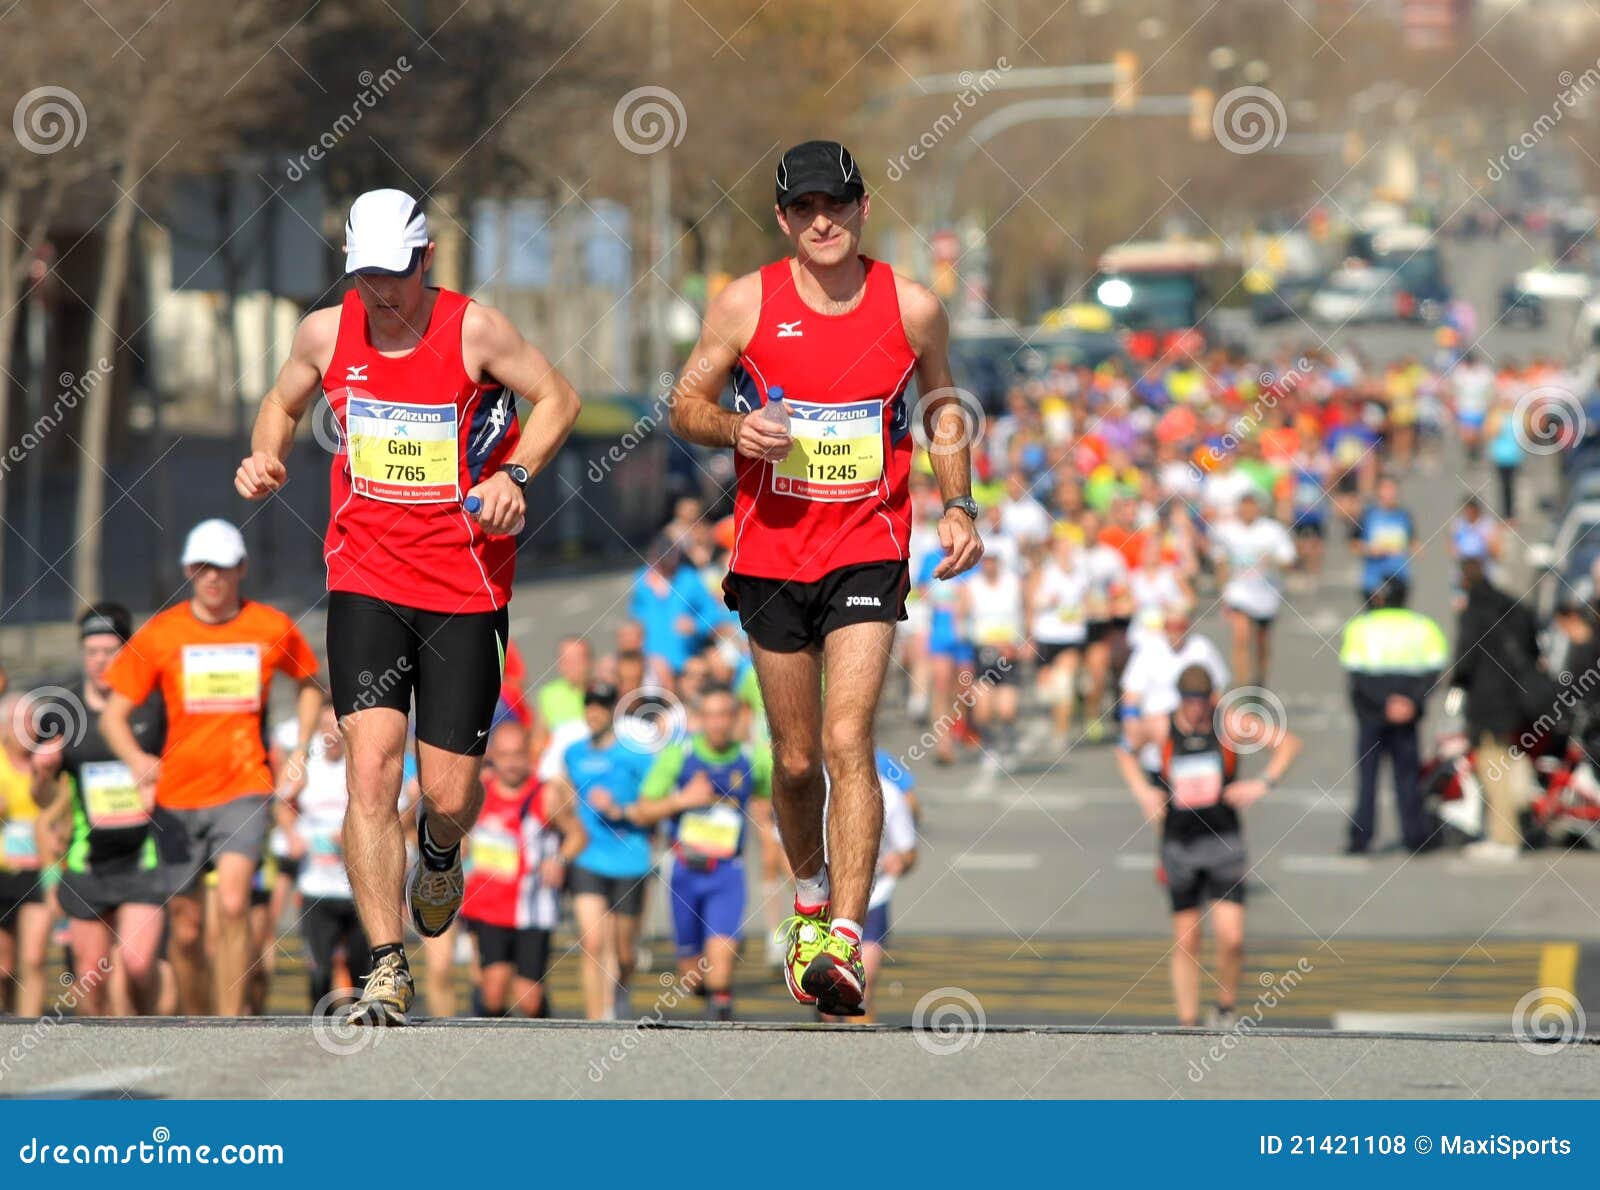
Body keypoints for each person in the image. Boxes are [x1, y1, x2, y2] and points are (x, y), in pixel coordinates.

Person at [234, 188, 582, 1026]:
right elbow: (281, 403)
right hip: (365, 579)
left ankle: (440, 850)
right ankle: (386, 966)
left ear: (426, 261)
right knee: (370, 767)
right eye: (365, 276)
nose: (381, 293)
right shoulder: (326, 332)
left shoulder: (475, 330)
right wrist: (264, 456)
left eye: (396, 274)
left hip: (464, 586)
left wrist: (514, 477)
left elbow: (560, 398)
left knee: (450, 792)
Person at [668, 140, 982, 1015]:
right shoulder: (745, 303)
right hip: (770, 554)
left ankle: (843, 936)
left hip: (866, 548)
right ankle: (808, 904)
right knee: (799, 758)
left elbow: (943, 405)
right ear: (782, 218)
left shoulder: (910, 306)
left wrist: (961, 505)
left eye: (836, 205)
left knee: (849, 740)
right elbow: (684, 403)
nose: (821, 222)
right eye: (804, 208)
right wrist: (737, 429)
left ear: (861, 209)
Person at [100, 520, 323, 1017]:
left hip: (244, 786)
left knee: (233, 905)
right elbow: (113, 713)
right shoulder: (163, 632)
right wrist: (138, 761)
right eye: (202, 568)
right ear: (188, 571)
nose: (212, 579)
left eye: (222, 568)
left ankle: (229, 1023)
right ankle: (198, 1022)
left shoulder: (269, 626)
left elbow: (310, 682)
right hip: (177, 796)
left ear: (241, 569)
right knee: (185, 925)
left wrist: (301, 752)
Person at [1116, 664, 1301, 1028]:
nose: (1196, 711)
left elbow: (1288, 744)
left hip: (1224, 841)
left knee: (1231, 938)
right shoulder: (1160, 725)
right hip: (1179, 843)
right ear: (1179, 699)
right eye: (1189, 702)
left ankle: (1226, 1007)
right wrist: (1144, 792)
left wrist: (1262, 783)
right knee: (1188, 940)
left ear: (1211, 698)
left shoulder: (1230, 723)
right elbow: (1124, 749)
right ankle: (1187, 1021)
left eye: (1201, 702)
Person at [30, 605, 168, 1016]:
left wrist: (155, 783)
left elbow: (176, 771)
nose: (100, 661)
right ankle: (106, 1068)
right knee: (90, 978)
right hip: (87, 861)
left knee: (138, 965)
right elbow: (42, 801)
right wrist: (43, 771)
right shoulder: (62, 712)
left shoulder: (151, 705)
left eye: (110, 651)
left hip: (144, 857)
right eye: (91, 651)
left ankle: (166, 1027)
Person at [630, 686, 772, 1021]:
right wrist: (683, 801)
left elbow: (766, 805)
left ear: (736, 718)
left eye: (725, 715)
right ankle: (711, 974)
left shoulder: (753, 759)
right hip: (685, 874)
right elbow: (641, 810)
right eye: (710, 716)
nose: (718, 724)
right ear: (700, 719)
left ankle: (722, 1020)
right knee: (691, 976)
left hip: (727, 874)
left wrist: (773, 849)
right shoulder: (680, 754)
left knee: (719, 972)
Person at [462, 721, 585, 1018]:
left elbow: (578, 835)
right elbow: (460, 835)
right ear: (492, 755)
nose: (512, 763)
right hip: (487, 905)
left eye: (518, 754)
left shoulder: (545, 794)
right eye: (504, 755)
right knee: (493, 990)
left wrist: (559, 860)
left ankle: (543, 1042)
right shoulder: (479, 792)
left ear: (528, 754)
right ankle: (484, 1049)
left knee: (528, 1000)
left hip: (533, 907)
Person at [552, 681, 656, 1020]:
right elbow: (564, 795)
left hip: (630, 858)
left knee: (624, 953)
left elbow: (655, 803)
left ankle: (619, 992)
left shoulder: (635, 753)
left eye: (602, 705)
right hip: (589, 858)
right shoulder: (573, 753)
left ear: (615, 710)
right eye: (589, 705)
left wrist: (621, 811)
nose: (594, 712)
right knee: (594, 944)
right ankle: (598, 1021)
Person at [1338, 579, 1449, 855]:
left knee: (1368, 779)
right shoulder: (1423, 626)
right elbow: (1434, 669)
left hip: (1372, 714)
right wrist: (1410, 701)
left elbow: (1356, 674)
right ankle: (1416, 836)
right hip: (1407, 714)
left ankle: (1361, 838)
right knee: (1408, 777)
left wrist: (1384, 703)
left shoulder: (1361, 626)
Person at [1448, 558, 1542, 862]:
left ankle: (1505, 836)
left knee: (1492, 766)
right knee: (1513, 759)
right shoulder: (1514, 607)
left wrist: (1455, 685)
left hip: (1487, 702)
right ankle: (1517, 821)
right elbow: (1533, 648)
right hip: (1519, 698)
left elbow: (1465, 660)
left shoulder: (1473, 613)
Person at [280, 705, 370, 1012]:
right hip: (316, 887)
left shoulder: (363, 765)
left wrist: (352, 835)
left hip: (357, 889)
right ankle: (314, 1037)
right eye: (325, 728)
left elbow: (393, 814)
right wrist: (291, 834)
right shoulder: (306, 767)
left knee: (361, 976)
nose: (331, 736)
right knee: (319, 974)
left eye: (337, 728)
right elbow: (283, 804)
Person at [819, 752, 917, 1024]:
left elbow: (910, 853)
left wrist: (901, 861)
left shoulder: (890, 795)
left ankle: (860, 1054)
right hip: (828, 899)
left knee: (862, 985)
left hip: (873, 898)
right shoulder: (819, 791)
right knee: (830, 992)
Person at [1211, 492, 1296, 689]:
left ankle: (1260, 684)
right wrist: (1222, 591)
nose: (1248, 511)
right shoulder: (1227, 530)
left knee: (1261, 644)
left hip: (1266, 596)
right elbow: (1220, 562)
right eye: (1244, 506)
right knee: (1240, 638)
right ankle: (1242, 686)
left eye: (1252, 506)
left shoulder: (1272, 530)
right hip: (1238, 594)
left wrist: (1272, 560)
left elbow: (1288, 560)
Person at [0, 692, 49, 1018]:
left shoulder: (48, 763)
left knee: (33, 957)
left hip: (39, 872)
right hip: (3, 873)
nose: (28, 728)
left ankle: (31, 1029)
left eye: (32, 720)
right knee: (3, 965)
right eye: (19, 721)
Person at [1352, 475, 1416, 599]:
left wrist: (1409, 548)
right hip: (1374, 580)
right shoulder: (1368, 515)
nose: (1390, 493)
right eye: (1386, 489)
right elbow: (1353, 543)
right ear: (1379, 491)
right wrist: (1370, 550)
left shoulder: (1404, 515)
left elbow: (1413, 542)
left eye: (1392, 489)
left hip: (1399, 578)